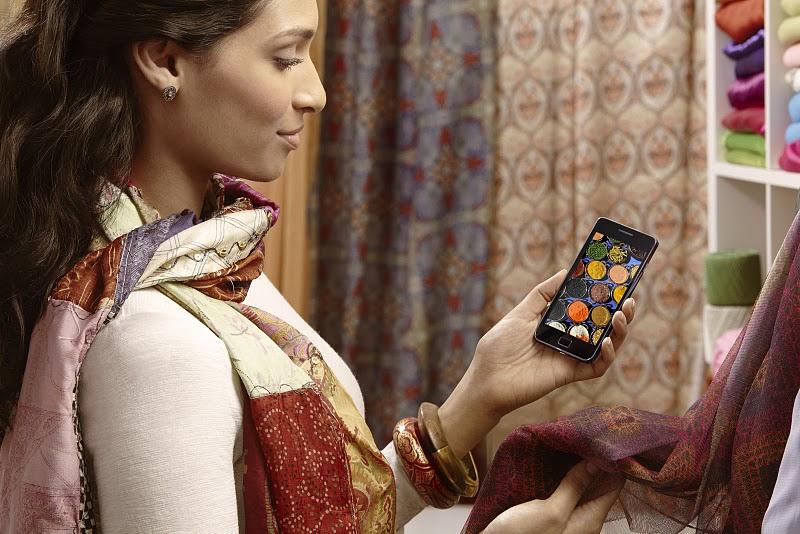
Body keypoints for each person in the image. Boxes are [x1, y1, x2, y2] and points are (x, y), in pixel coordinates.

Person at [0, 0, 635, 532]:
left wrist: (482, 393)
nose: (316, 94)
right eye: (285, 58)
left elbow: (332, 517)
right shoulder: (157, 342)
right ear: (165, 62)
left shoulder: (213, 257)